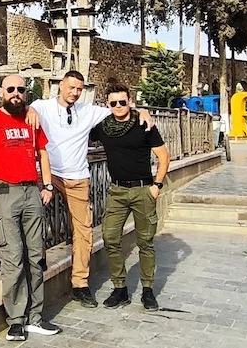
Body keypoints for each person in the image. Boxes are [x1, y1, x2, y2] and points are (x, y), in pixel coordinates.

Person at [24, 70, 153, 308]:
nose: (74, 93)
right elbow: (24, 108)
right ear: (60, 86)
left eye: (79, 89)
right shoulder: (41, 106)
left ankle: (80, 284)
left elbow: (120, 108)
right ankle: (38, 258)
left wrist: (141, 110)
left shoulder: (88, 111)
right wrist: (30, 110)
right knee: (34, 219)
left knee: (83, 231)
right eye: (71, 87)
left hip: (77, 177)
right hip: (47, 175)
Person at [0, 75, 61, 341]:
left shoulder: (31, 118)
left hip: (32, 192)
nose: (16, 93)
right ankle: (16, 320)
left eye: (20, 89)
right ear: (1, 92)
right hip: (5, 192)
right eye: (11, 89)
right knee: (13, 258)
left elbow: (43, 153)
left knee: (36, 256)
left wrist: (48, 186)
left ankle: (36, 317)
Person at [90, 83, 170, 311]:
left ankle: (147, 290)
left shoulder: (144, 124)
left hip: (143, 190)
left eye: (122, 102)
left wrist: (157, 185)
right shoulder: (104, 128)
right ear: (108, 105)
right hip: (117, 191)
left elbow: (164, 157)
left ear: (130, 102)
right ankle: (120, 289)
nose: (118, 106)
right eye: (113, 103)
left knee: (145, 241)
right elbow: (78, 131)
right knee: (110, 237)